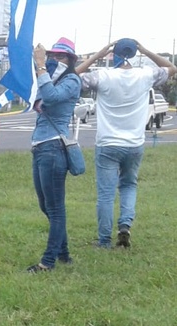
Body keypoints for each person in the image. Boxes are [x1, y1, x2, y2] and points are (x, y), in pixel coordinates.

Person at [75, 38, 177, 248]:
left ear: (114, 53)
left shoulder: (102, 75)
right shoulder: (145, 75)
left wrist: (98, 55)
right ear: (133, 54)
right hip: (134, 143)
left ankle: (104, 241)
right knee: (129, 185)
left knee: (106, 193)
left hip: (108, 143)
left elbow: (73, 76)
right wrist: (145, 50)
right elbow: (171, 68)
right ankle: (125, 225)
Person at [27, 37, 82, 273]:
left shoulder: (71, 80)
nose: (53, 60)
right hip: (40, 147)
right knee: (46, 206)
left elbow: (51, 98)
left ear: (69, 60)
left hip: (54, 148)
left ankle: (47, 262)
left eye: (60, 57)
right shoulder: (50, 78)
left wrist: (40, 66)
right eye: (52, 56)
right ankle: (64, 254)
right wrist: (40, 68)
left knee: (56, 207)